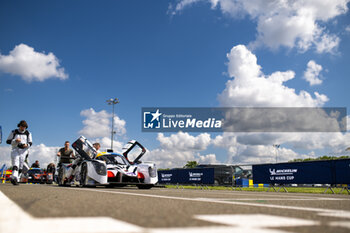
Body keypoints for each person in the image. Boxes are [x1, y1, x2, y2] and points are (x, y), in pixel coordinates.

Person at [6, 120, 32, 185]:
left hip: (24, 151)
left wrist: (27, 145)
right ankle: (14, 176)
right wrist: (15, 141)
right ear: (19, 126)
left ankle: (16, 178)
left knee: (20, 166)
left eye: (24, 127)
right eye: (21, 126)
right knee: (15, 163)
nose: (22, 128)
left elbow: (30, 142)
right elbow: (8, 141)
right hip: (15, 149)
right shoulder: (14, 132)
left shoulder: (28, 133)